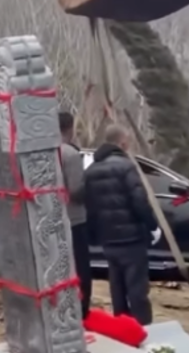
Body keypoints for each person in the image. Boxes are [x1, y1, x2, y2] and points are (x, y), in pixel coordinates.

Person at [84, 124, 160, 326]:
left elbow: (89, 206)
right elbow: (139, 200)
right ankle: (143, 327)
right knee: (136, 287)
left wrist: (95, 235)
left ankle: (122, 325)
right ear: (123, 142)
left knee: (116, 286)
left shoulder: (91, 170)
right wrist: (152, 226)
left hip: (108, 239)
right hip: (131, 237)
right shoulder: (126, 166)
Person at [58, 112, 91, 319]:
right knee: (80, 267)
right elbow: (76, 190)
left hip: (50, 219)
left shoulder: (44, 152)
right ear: (70, 128)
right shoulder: (70, 154)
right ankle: (82, 310)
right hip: (74, 218)